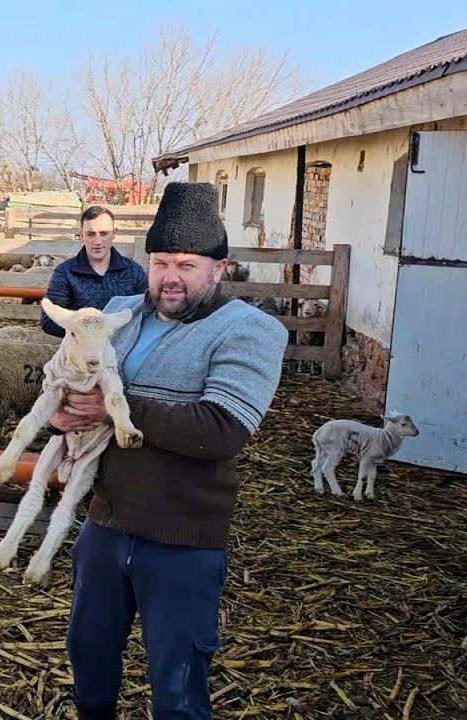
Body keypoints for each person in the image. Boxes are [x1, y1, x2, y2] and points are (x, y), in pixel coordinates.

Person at [51, 183, 288, 720]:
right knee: (88, 657)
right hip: (106, 523)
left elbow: (221, 428)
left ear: (218, 268)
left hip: (183, 537)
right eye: (160, 263)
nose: (170, 278)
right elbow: (71, 385)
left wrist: (113, 408)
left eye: (186, 264)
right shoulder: (119, 312)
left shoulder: (251, 331)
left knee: (178, 680)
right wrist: (60, 416)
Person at [39, 206, 148, 338]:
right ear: (81, 235)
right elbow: (49, 321)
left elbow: (148, 314)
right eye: (90, 234)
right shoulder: (65, 272)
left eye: (104, 233)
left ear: (114, 233)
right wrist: (90, 333)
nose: (97, 241)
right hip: (83, 353)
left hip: (123, 351)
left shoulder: (134, 271)